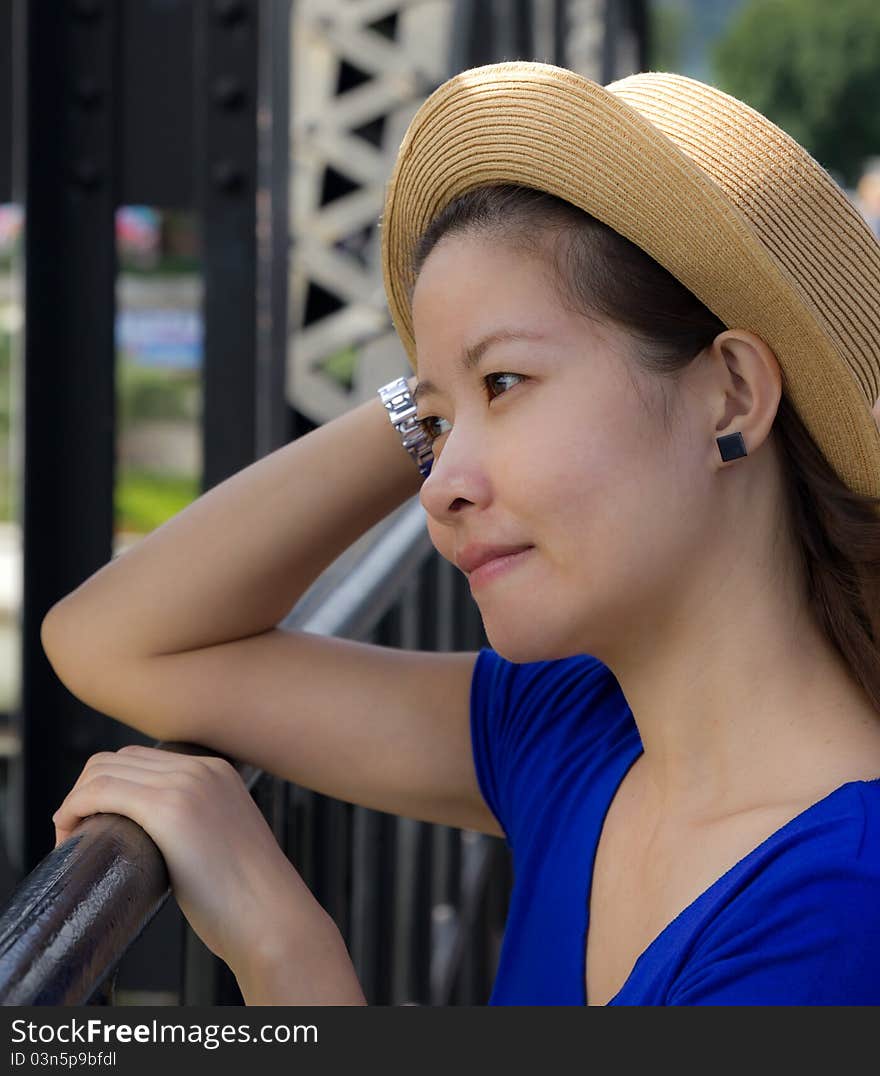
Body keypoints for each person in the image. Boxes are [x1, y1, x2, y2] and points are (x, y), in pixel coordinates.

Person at [41, 61, 880, 1006]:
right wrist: (440, 383)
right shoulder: (579, 732)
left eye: (509, 384)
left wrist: (285, 953)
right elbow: (113, 642)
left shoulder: (837, 915)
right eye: (434, 432)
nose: (438, 487)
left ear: (730, 393)